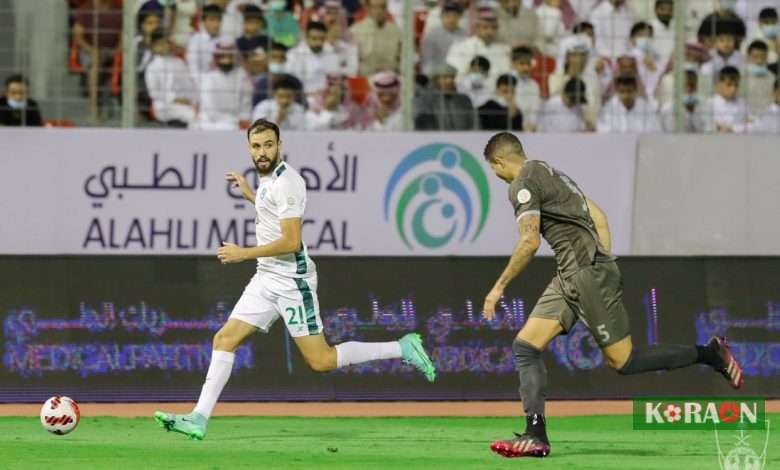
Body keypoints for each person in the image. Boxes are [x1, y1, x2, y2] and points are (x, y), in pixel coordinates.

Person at [154, 119, 436, 440]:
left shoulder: (288, 182)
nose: (262, 152)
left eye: (268, 145)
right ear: (249, 148)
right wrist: (251, 196)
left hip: (291, 281)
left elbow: (290, 241)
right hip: (266, 277)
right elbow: (272, 217)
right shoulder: (266, 182)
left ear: (280, 145)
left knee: (321, 360)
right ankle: (198, 418)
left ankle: (402, 347)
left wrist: (242, 253)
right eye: (256, 146)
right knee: (224, 339)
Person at [480, 131, 744, 459]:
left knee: (624, 361)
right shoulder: (552, 173)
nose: (497, 176)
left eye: (494, 170)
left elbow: (529, 241)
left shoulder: (520, 184)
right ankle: (536, 434)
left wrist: (498, 287)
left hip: (584, 275)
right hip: (573, 274)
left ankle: (711, 354)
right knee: (526, 346)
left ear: (499, 162)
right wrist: (598, 261)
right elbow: (600, 218)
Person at [193, 39, 253, 130]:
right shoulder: (209, 77)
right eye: (223, 56)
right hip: (211, 122)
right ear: (217, 58)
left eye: (229, 56)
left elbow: (246, 104)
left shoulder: (242, 76)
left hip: (237, 122)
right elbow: (210, 110)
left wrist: (243, 120)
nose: (226, 60)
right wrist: (233, 122)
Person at [144, 30, 197, 127]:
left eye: (166, 43)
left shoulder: (178, 62)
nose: (164, 46)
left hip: (184, 101)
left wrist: (192, 100)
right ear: (153, 47)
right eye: (160, 44)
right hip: (164, 105)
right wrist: (175, 99)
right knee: (193, 116)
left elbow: (188, 85)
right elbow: (154, 93)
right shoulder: (152, 67)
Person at [446, 8, 511, 83]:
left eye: (493, 28)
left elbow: (506, 74)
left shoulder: (504, 49)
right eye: (485, 27)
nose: (490, 31)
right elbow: (454, 75)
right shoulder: (460, 47)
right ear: (476, 28)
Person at [286, 21, 341, 100]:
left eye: (322, 39)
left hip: (328, 98)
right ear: (306, 38)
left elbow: (335, 78)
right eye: (314, 39)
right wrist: (309, 95)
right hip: (302, 98)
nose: (318, 43)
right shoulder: (293, 55)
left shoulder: (331, 52)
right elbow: (290, 85)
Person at [414, 63, 476, 130]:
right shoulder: (425, 100)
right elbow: (425, 126)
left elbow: (475, 123)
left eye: (452, 77)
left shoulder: (464, 100)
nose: (450, 81)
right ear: (435, 80)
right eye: (445, 77)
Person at [350, 0, 402, 76]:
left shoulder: (396, 32)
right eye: (375, 7)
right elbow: (352, 65)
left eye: (383, 7)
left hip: (392, 82)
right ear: (368, 8)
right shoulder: (355, 31)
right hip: (365, 81)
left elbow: (403, 61)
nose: (379, 11)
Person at [597, 75, 662, 133]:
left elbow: (656, 131)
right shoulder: (609, 108)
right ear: (617, 92)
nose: (626, 95)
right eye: (622, 91)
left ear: (635, 90)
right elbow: (602, 130)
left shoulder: (647, 108)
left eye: (629, 91)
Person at [698, 65, 750, 133]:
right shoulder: (708, 104)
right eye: (729, 85)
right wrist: (718, 128)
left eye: (736, 85)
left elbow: (752, 124)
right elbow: (705, 126)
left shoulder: (743, 104)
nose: (733, 89)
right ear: (718, 84)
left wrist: (733, 129)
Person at [420, 2, 467, 76]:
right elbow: (427, 61)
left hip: (457, 73)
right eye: (448, 16)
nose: (451, 20)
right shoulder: (432, 35)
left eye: (455, 16)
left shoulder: (464, 35)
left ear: (460, 17)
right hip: (435, 73)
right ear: (441, 17)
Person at [186, 4, 224, 87]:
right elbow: (193, 71)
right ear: (203, 21)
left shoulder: (226, 40)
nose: (216, 24)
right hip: (202, 87)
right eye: (212, 20)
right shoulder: (195, 41)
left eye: (219, 20)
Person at [510, 46, 541, 132]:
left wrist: (532, 125)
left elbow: (535, 109)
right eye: (522, 64)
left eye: (528, 64)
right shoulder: (507, 81)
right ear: (514, 64)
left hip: (529, 129)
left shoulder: (534, 85)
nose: (526, 68)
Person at [741, 40, 775, 114]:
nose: (759, 61)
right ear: (748, 56)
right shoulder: (740, 77)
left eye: (763, 57)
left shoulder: (772, 77)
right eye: (755, 57)